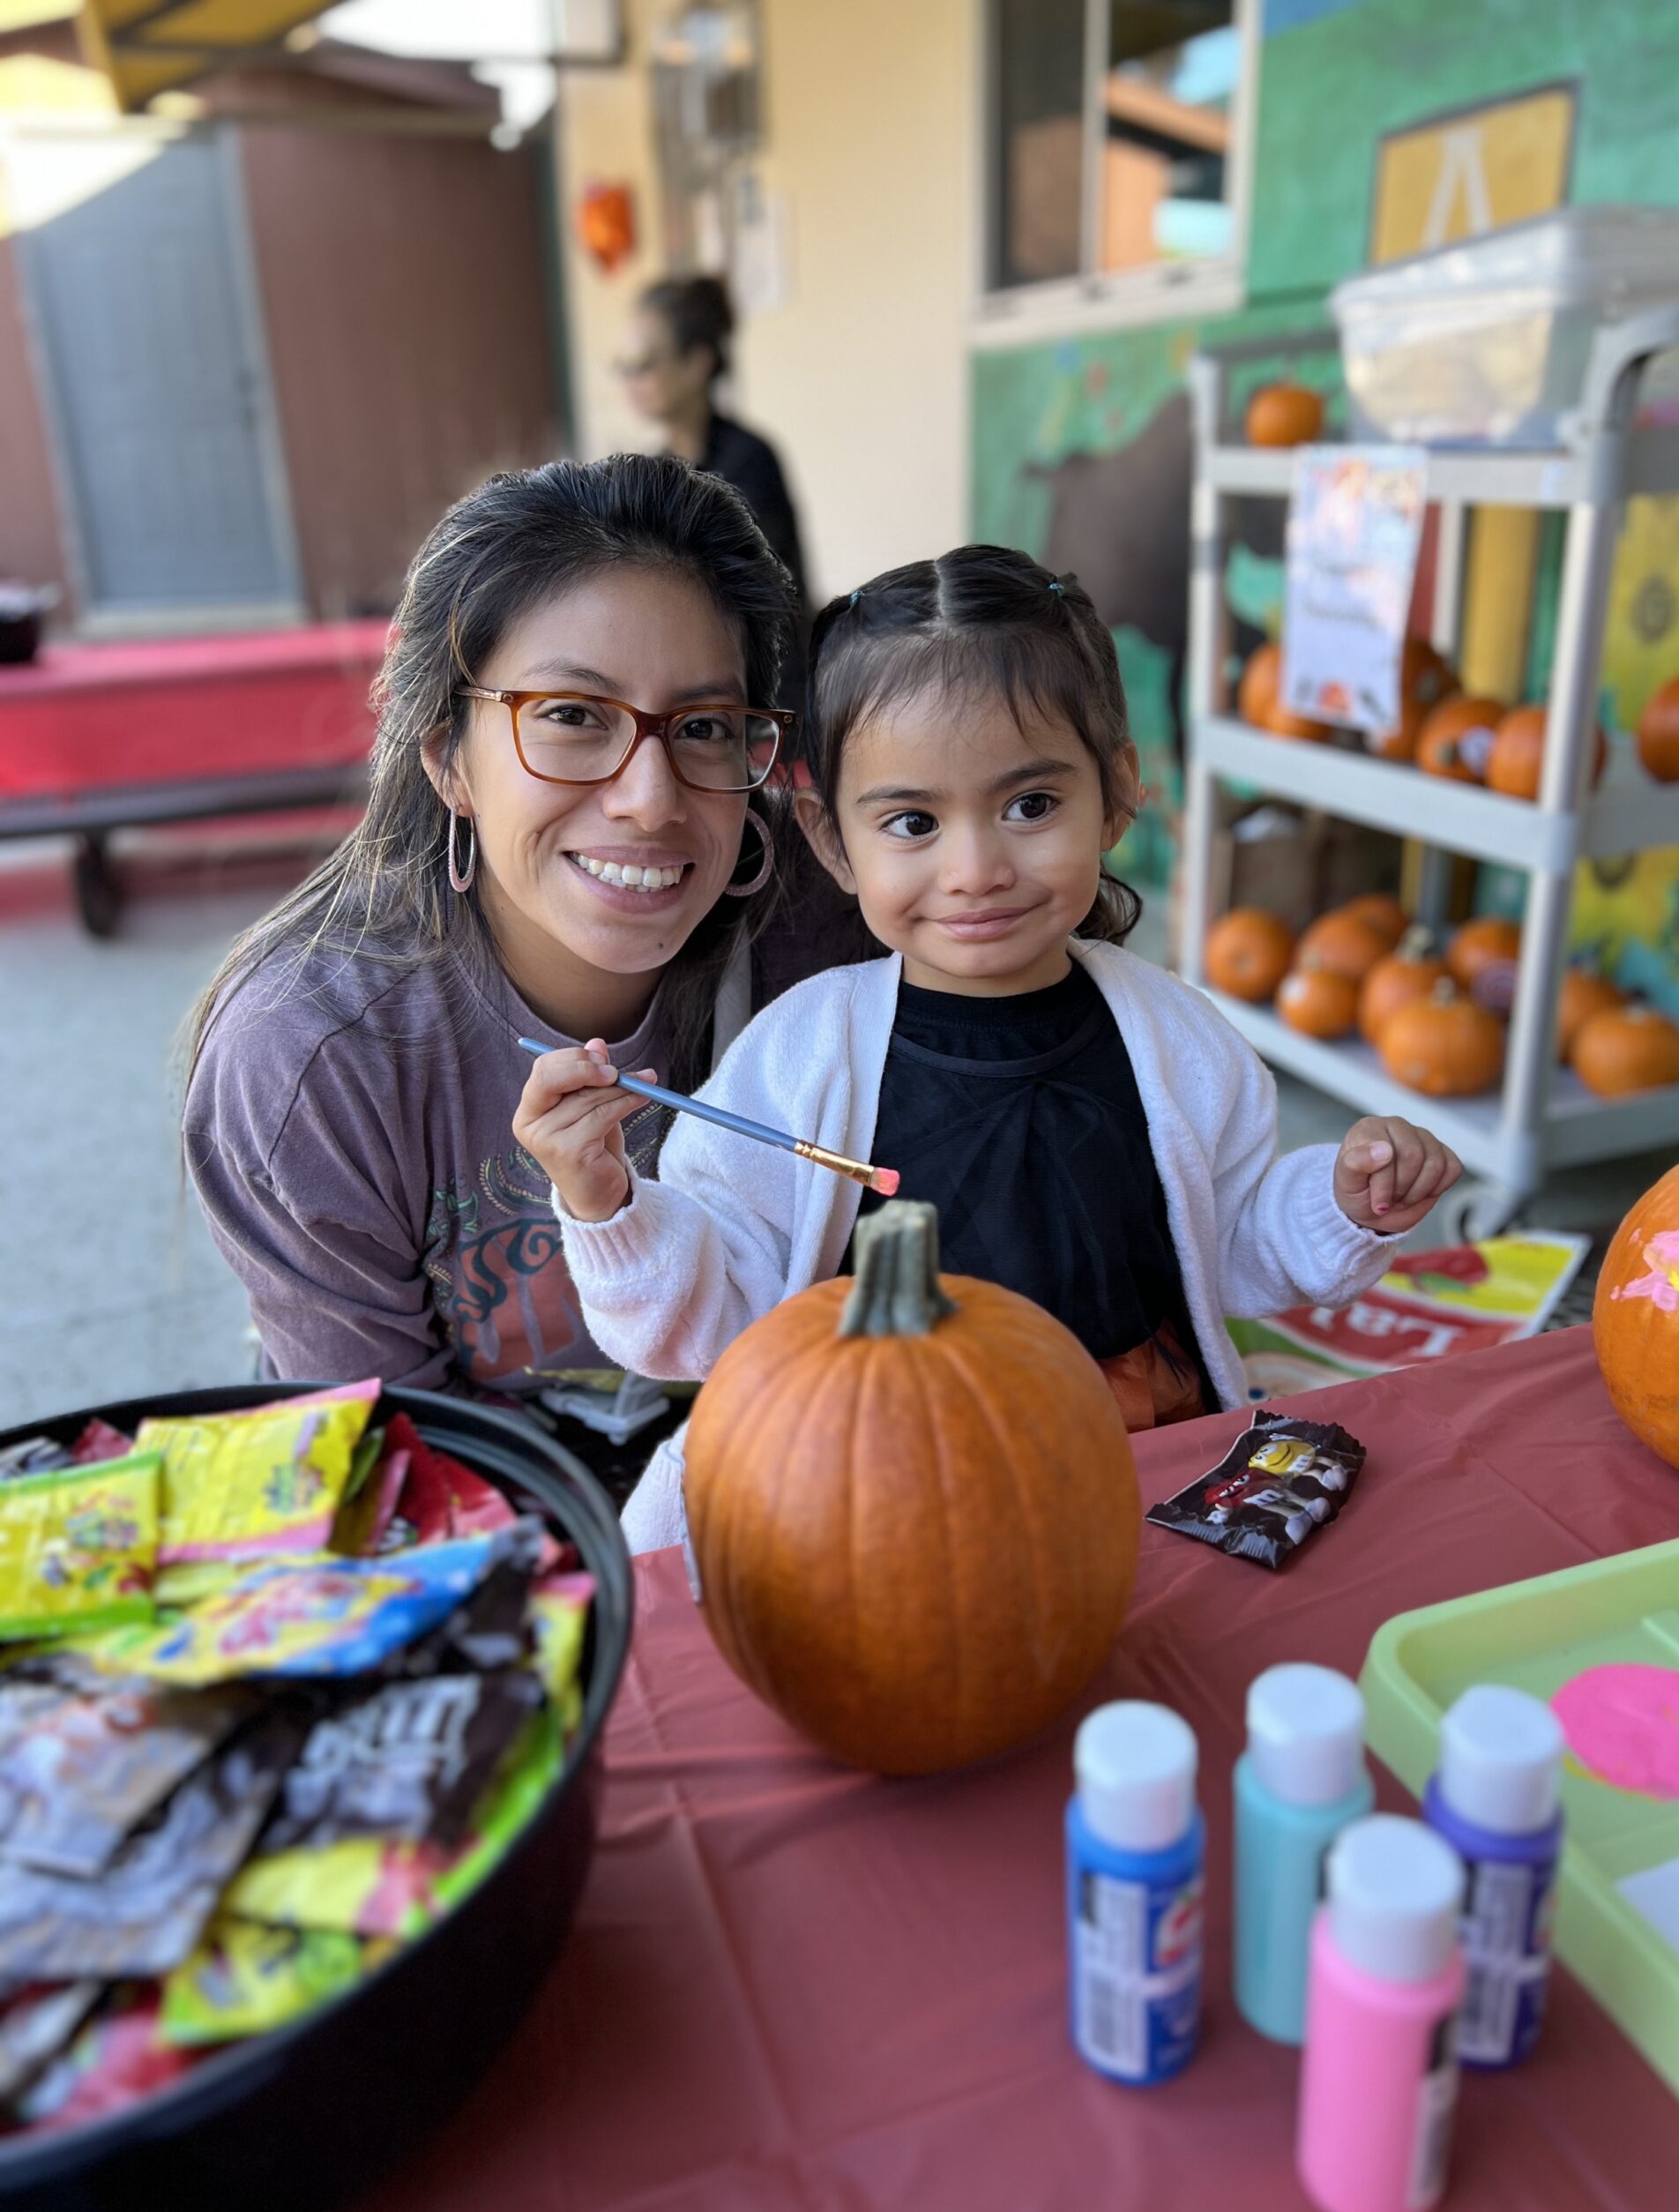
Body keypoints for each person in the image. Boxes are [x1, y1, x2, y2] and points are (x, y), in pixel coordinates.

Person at [516, 545, 1463, 1550]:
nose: (976, 869)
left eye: (1030, 806)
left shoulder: (1177, 1038)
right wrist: (608, 1205)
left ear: (1118, 793)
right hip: (878, 1467)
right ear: (834, 841)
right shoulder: (799, 1057)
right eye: (914, 821)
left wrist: (1339, 1202)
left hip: (1140, 1451)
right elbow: (708, 1315)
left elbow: (1226, 1246)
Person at [183, 453, 855, 1406]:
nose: (650, 800)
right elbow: (390, 1452)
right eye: (574, 715)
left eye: (705, 726)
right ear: (449, 759)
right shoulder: (307, 1058)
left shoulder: (836, 928)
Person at [619, 276, 810, 616]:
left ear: (697, 364)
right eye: (625, 366)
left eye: (645, 363)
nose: (631, 381)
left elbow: (761, 592)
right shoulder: (652, 472)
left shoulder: (750, 460)